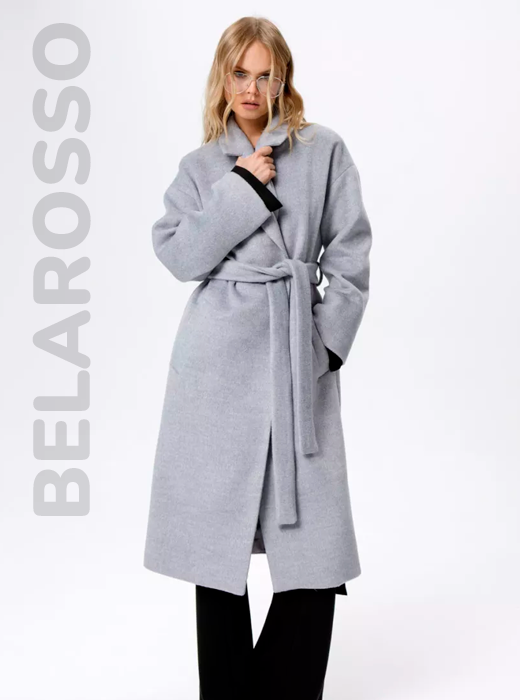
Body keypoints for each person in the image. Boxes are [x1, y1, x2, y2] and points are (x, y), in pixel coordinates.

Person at [144, 16, 372, 700]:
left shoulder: (323, 151)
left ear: (283, 79)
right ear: (223, 78)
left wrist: (324, 346)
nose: (251, 87)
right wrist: (242, 185)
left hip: (295, 360)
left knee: (316, 557)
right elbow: (179, 254)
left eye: (264, 74)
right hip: (215, 371)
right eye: (239, 73)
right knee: (217, 557)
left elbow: (351, 252)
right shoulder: (200, 168)